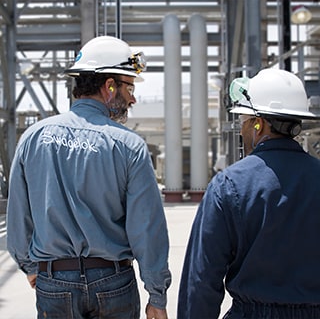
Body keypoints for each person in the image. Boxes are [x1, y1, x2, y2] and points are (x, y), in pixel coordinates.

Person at [6, 35, 171, 319]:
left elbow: (18, 219)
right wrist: (157, 295)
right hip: (113, 282)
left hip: (53, 282)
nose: (132, 98)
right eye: (129, 87)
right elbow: (147, 228)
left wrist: (31, 268)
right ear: (109, 87)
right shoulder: (128, 146)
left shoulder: (33, 139)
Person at [177, 68, 320, 319]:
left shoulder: (229, 185)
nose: (242, 131)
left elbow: (201, 280)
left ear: (258, 124)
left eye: (243, 121)